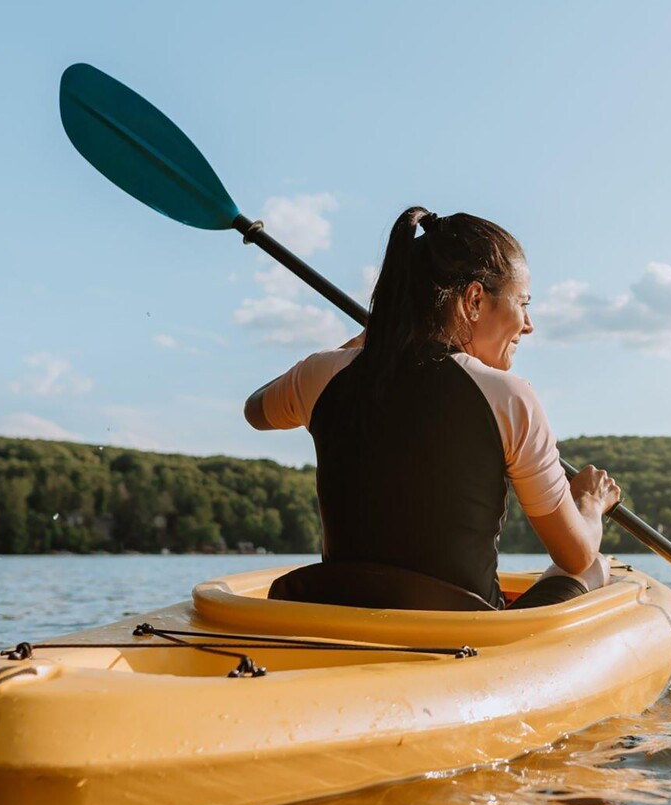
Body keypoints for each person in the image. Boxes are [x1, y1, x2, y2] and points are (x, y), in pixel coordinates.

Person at [243, 207, 621, 610]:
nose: (528, 324)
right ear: (475, 298)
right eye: (522, 303)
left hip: (338, 613)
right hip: (464, 634)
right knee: (594, 568)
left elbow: (256, 410)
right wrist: (590, 504)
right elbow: (575, 555)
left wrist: (366, 341)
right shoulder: (510, 397)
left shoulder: (321, 375)